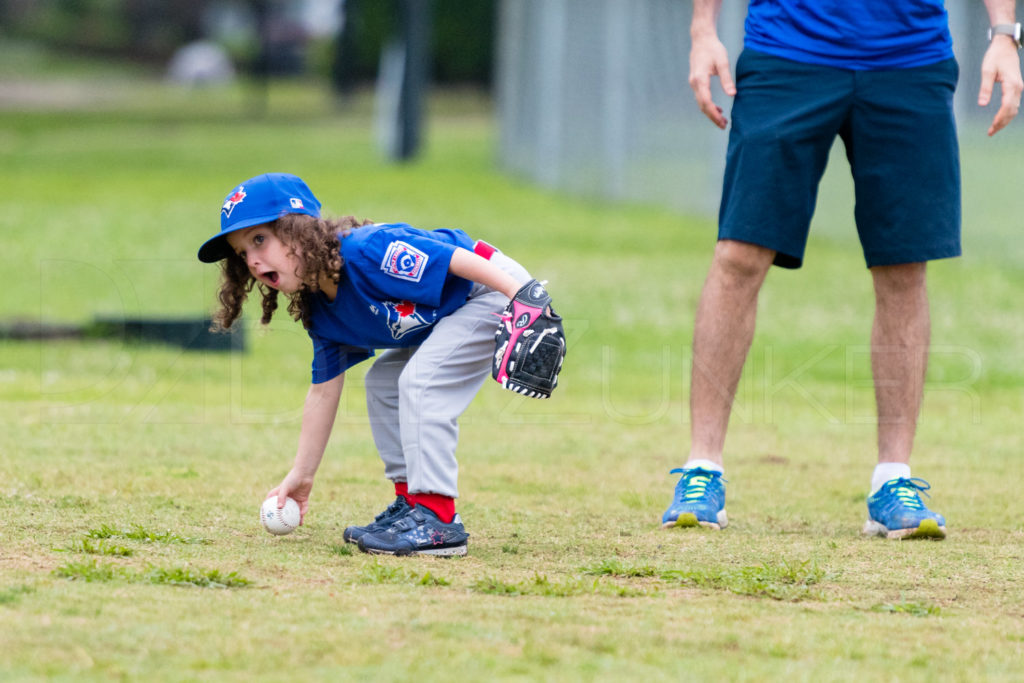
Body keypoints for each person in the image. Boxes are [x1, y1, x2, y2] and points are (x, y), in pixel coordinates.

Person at [663, 1, 1023, 539]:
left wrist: (1004, 35)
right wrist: (702, 31)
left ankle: (893, 479)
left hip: (910, 60)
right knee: (739, 254)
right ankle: (700, 471)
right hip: (788, 50)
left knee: (904, 265)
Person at [198, 172, 542, 556]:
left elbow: (457, 258)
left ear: (297, 230)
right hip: (455, 309)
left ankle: (438, 521)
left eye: (260, 239)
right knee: (384, 382)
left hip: (490, 289)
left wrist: (523, 297)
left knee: (420, 381)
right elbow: (323, 390)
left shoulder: (365, 251)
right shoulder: (321, 309)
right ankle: (412, 504)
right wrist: (302, 474)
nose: (253, 260)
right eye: (243, 253)